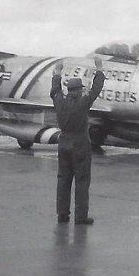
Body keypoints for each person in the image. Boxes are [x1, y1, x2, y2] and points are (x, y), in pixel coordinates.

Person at [50, 57, 105, 225]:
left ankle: (62, 214)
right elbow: (96, 89)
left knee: (63, 180)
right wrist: (99, 69)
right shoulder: (83, 102)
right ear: (79, 90)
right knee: (81, 181)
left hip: (64, 142)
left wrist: (57, 72)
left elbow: (55, 90)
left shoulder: (59, 101)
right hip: (80, 144)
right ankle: (80, 217)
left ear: (69, 90)